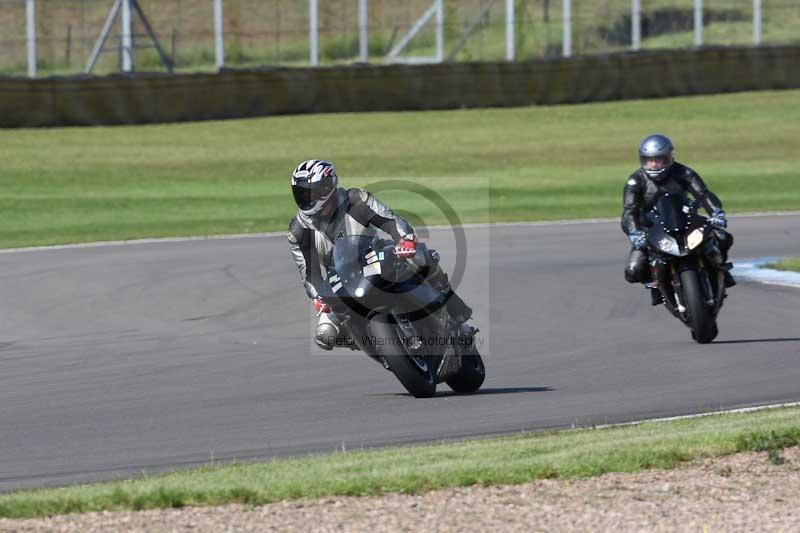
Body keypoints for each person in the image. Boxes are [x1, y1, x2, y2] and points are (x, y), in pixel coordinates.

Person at [287, 159, 471, 350]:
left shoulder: (355, 199)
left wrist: (404, 240)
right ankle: (375, 346)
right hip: (340, 278)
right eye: (300, 193)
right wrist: (319, 299)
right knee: (325, 335)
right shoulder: (299, 231)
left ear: (327, 187)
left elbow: (390, 220)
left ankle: (453, 308)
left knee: (422, 256)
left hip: (375, 254)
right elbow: (309, 273)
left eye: (311, 192)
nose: (305, 199)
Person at [622, 134, 735, 305]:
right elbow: (629, 211)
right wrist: (635, 233)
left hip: (684, 221)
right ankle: (656, 287)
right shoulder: (635, 181)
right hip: (651, 229)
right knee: (633, 270)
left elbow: (703, 194)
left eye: (658, 159)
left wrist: (716, 213)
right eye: (649, 160)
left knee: (722, 237)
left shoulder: (684, 173)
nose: (653, 164)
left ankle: (721, 270)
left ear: (669, 157)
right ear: (642, 160)